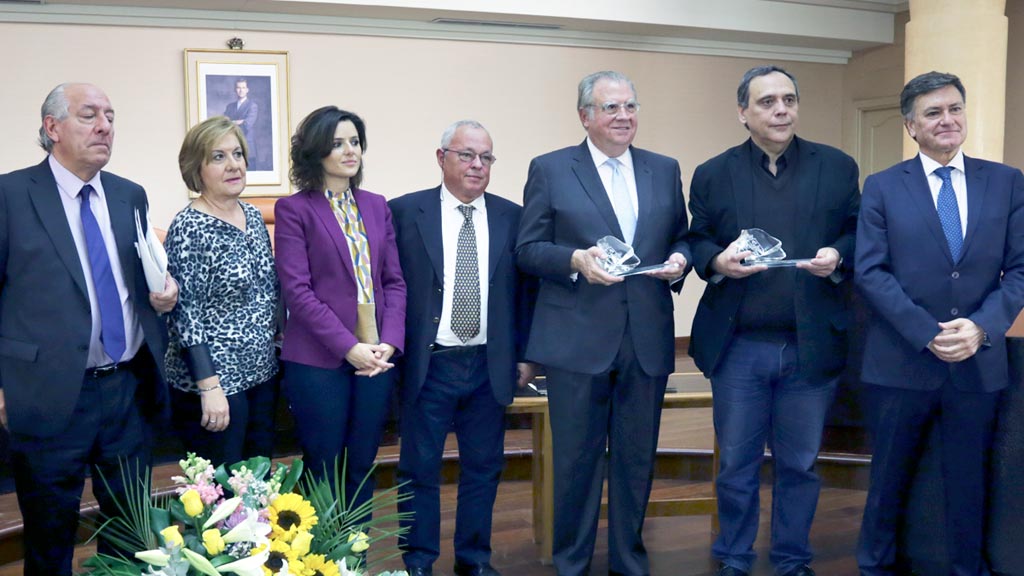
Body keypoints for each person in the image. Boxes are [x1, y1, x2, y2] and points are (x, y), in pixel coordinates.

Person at [686, 65, 860, 576]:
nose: (780, 109)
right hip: (739, 346)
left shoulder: (837, 167)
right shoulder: (713, 173)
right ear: (743, 112)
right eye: (766, 102)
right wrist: (717, 261)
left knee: (801, 465)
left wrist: (838, 255)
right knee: (736, 465)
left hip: (810, 346)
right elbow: (697, 238)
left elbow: (858, 229)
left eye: (788, 99)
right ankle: (735, 557)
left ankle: (791, 558)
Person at [516, 70, 690, 576]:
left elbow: (680, 236)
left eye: (630, 106)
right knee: (575, 463)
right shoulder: (550, 169)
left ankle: (628, 561)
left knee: (637, 461)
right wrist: (575, 259)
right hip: (577, 341)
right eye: (610, 107)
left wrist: (681, 261)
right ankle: (571, 563)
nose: (623, 116)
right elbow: (528, 249)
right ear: (585, 116)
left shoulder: (664, 168)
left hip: (648, 338)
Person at [0, 82, 178, 575]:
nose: (105, 126)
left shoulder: (128, 195)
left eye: (111, 116)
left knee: (130, 530)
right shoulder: (10, 195)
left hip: (126, 389)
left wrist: (166, 294)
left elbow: (139, 277)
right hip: (49, 392)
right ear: (51, 128)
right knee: (50, 537)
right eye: (89, 115)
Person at [855, 71, 1024, 576]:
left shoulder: (1007, 181)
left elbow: (1019, 269)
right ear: (911, 126)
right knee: (887, 481)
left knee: (969, 481)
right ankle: (874, 568)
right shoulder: (883, 187)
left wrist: (981, 327)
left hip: (978, 362)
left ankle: (967, 569)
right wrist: (927, 332)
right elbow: (870, 270)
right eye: (933, 113)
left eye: (954, 109)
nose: (947, 120)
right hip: (901, 363)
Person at [390, 120, 535, 576]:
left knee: (484, 468)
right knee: (419, 469)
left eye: (486, 157)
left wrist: (528, 355)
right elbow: (388, 287)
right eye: (466, 155)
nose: (477, 165)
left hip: (489, 363)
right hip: (428, 364)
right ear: (441, 158)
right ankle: (419, 561)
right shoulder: (403, 212)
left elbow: (527, 294)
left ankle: (474, 560)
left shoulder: (514, 217)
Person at [275, 106, 406, 514]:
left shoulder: (376, 204)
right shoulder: (294, 209)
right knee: (324, 467)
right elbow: (298, 292)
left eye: (354, 142)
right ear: (316, 152)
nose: (350, 151)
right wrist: (349, 347)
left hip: (377, 358)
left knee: (362, 465)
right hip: (319, 361)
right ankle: (322, 561)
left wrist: (390, 343)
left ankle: (356, 559)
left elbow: (394, 282)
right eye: (337, 143)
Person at [164, 115, 279, 466]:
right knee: (221, 500)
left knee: (259, 488)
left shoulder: (253, 215)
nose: (233, 165)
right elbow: (186, 317)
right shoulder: (189, 226)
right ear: (196, 168)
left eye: (238, 154)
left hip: (262, 374)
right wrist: (209, 387)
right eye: (218, 157)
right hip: (215, 384)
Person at [224, 79, 258, 162]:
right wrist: (239, 122)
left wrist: (232, 122)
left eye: (243, 87)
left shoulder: (252, 106)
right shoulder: (230, 106)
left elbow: (247, 125)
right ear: (235, 90)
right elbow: (224, 123)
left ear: (247, 90)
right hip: (231, 145)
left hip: (247, 146)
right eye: (238, 87)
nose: (241, 90)